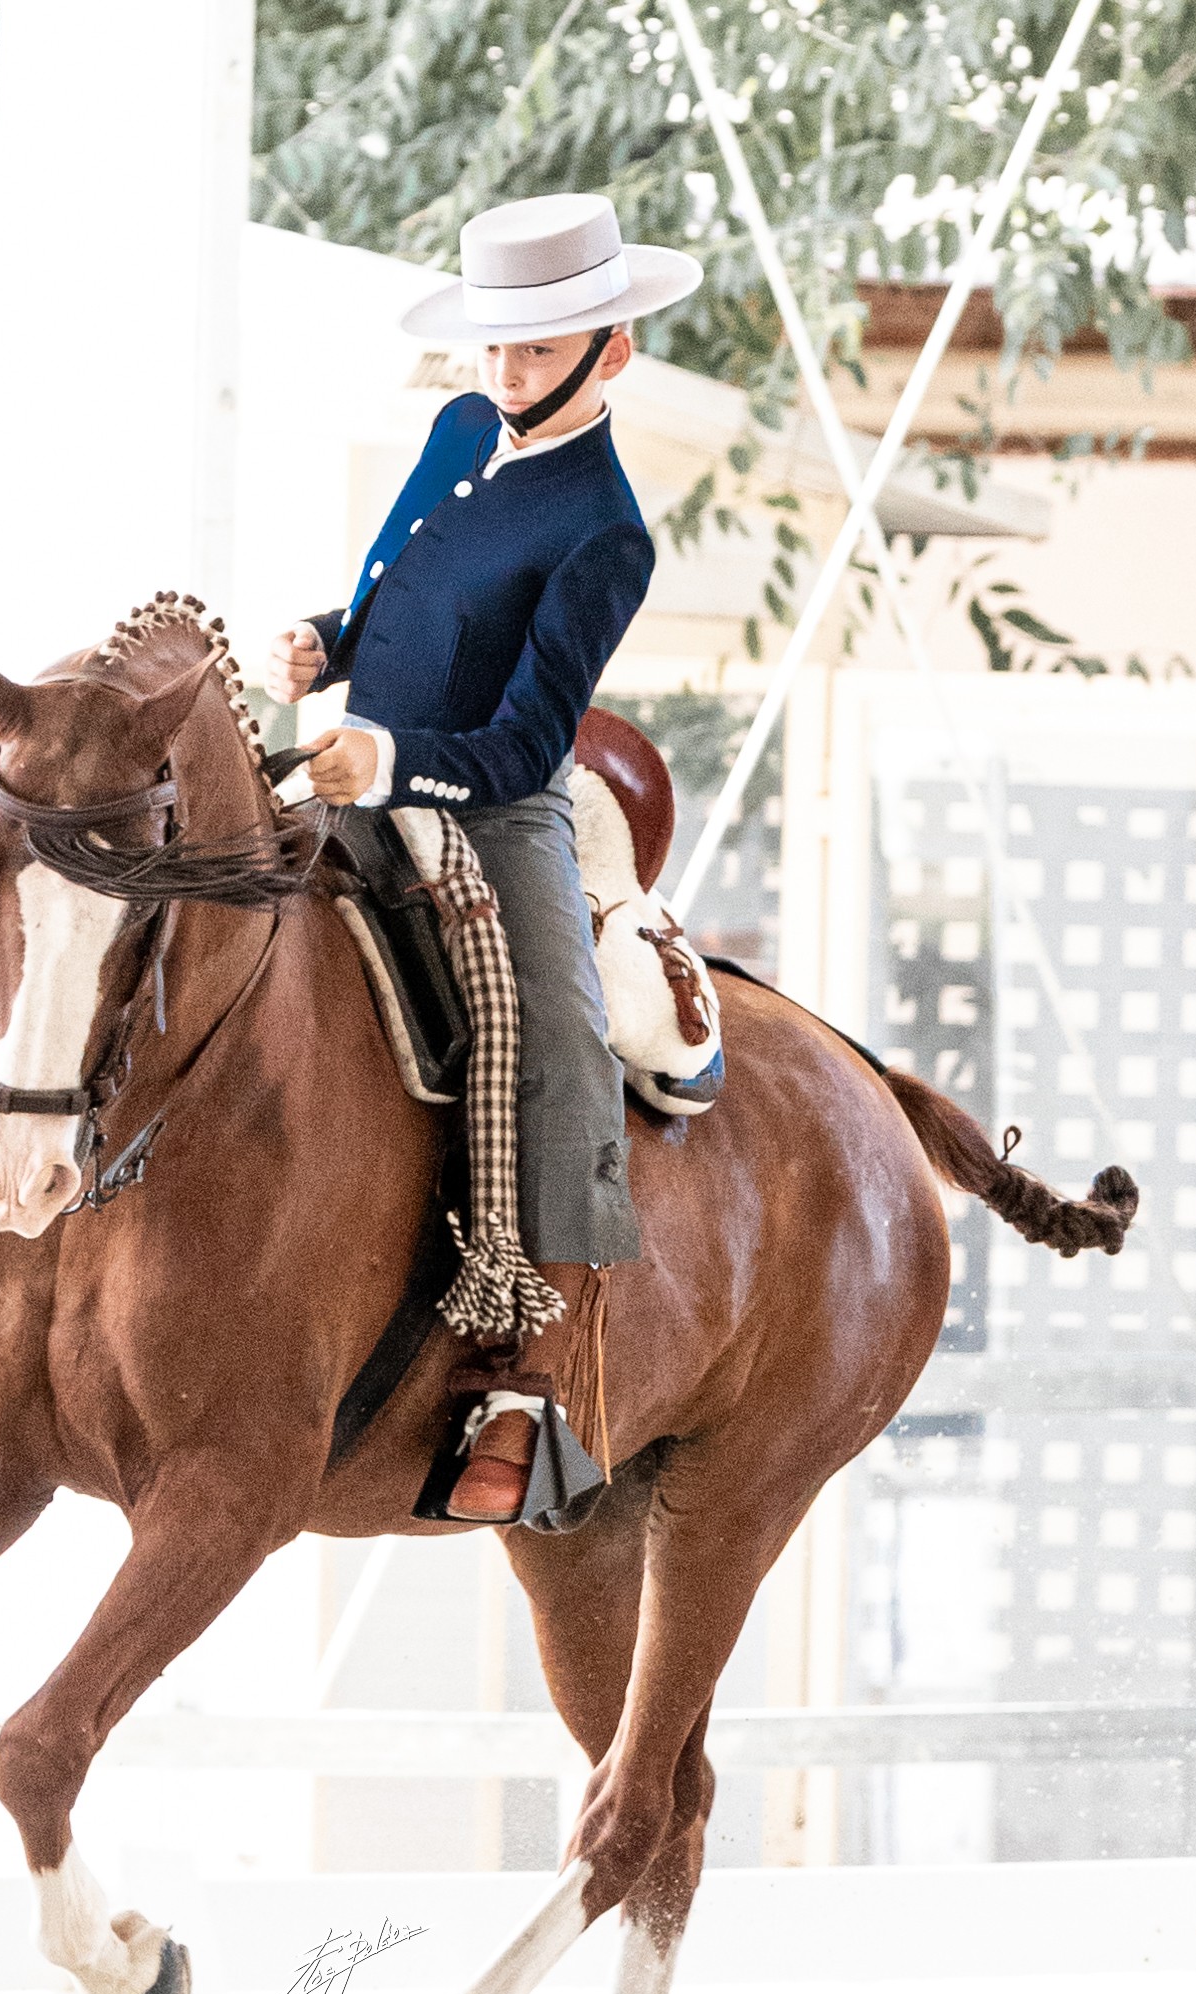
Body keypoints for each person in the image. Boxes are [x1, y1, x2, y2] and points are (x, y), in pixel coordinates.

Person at [266, 193, 701, 1521]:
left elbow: (524, 739)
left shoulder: (608, 531)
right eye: (491, 350)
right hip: (358, 756)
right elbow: (407, 598)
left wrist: (393, 766)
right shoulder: (459, 427)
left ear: (608, 352)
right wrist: (330, 644)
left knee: (559, 1034)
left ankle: (533, 1370)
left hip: (490, 802)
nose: (501, 376)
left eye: (529, 352)